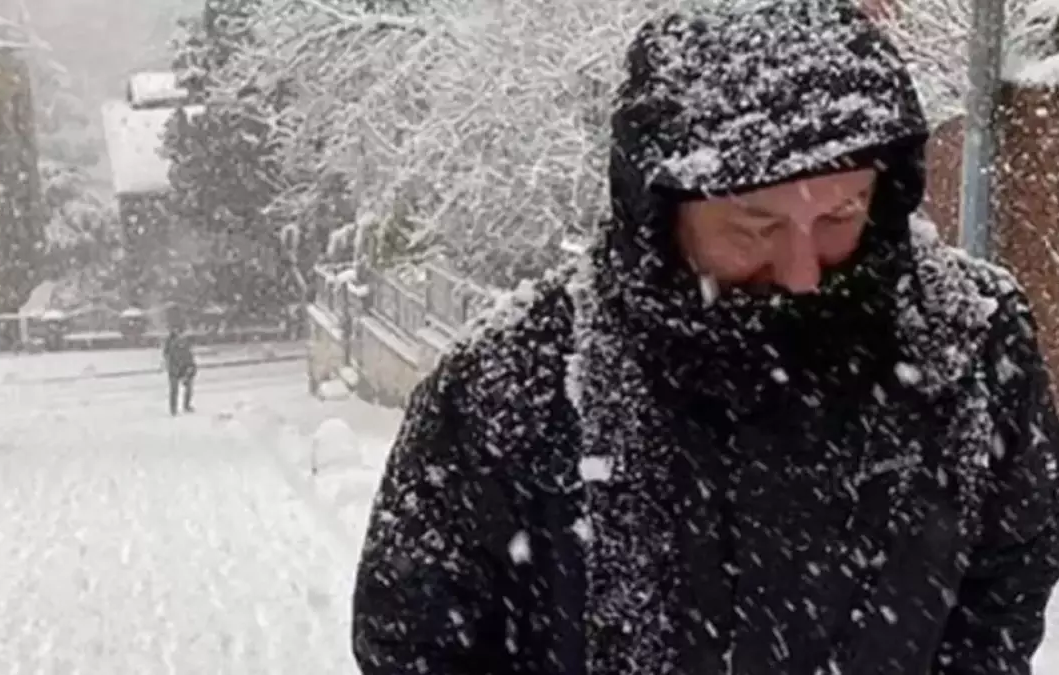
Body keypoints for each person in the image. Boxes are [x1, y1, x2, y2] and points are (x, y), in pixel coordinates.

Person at [351, 3, 1059, 675]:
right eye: (754, 228)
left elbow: (1005, 588)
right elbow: (415, 642)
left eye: (843, 214)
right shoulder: (507, 390)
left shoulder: (972, 344)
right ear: (657, 214)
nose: (803, 272)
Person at [162, 321, 197, 416]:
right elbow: (167, 355)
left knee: (188, 387)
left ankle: (186, 405)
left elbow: (189, 355)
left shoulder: (186, 342)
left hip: (184, 366)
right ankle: (174, 409)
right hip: (175, 368)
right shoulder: (170, 341)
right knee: (175, 389)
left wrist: (191, 366)